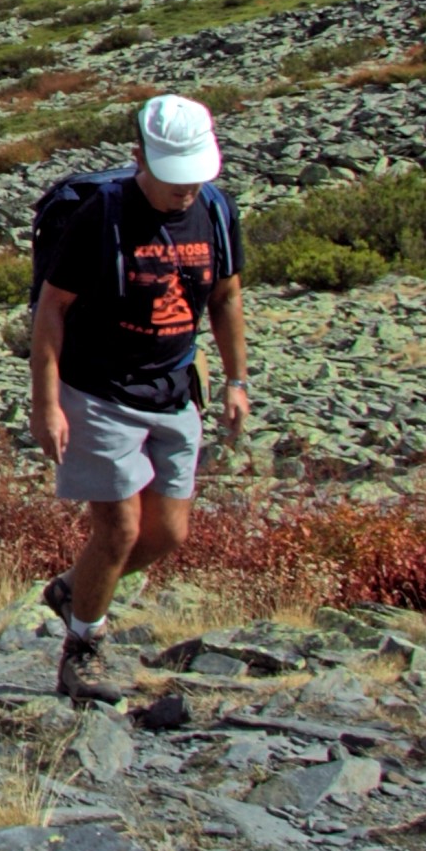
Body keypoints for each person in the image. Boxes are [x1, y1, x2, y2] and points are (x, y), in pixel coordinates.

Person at [26, 93, 250, 705]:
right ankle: (84, 650)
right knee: (120, 529)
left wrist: (236, 380)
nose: (186, 191)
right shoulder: (101, 216)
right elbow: (52, 310)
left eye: (196, 178)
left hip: (175, 389)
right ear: (139, 159)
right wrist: (46, 403)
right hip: (97, 391)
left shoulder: (217, 212)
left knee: (167, 534)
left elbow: (226, 299)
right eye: (175, 179)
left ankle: (75, 590)